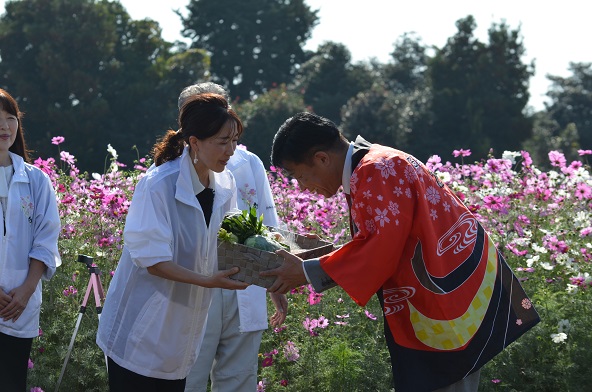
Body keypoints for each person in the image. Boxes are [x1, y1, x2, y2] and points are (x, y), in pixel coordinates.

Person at [261, 112, 541, 392]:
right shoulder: (377, 162)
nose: (302, 187)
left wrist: (307, 271)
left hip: (448, 298)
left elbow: (379, 249)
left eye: (299, 176)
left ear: (322, 158)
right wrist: (322, 256)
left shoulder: (375, 169)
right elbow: (383, 241)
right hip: (448, 292)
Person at [96, 93, 250, 392]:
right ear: (194, 142)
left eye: (234, 140)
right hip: (140, 331)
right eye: (222, 141)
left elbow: (229, 239)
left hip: (182, 334)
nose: (230, 150)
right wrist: (207, 281)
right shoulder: (159, 185)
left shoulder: (225, 184)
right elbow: (153, 261)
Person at [179, 83, 288, 392]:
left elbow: (267, 221)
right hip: (197, 284)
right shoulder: (168, 170)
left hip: (247, 283)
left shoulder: (248, 162)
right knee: (190, 376)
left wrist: (276, 280)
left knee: (239, 379)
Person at [0, 88, 61, 392]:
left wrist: (25, 290)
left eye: (10, 118)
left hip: (18, 305)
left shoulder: (36, 180)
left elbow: (46, 238)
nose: (4, 127)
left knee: (11, 381)